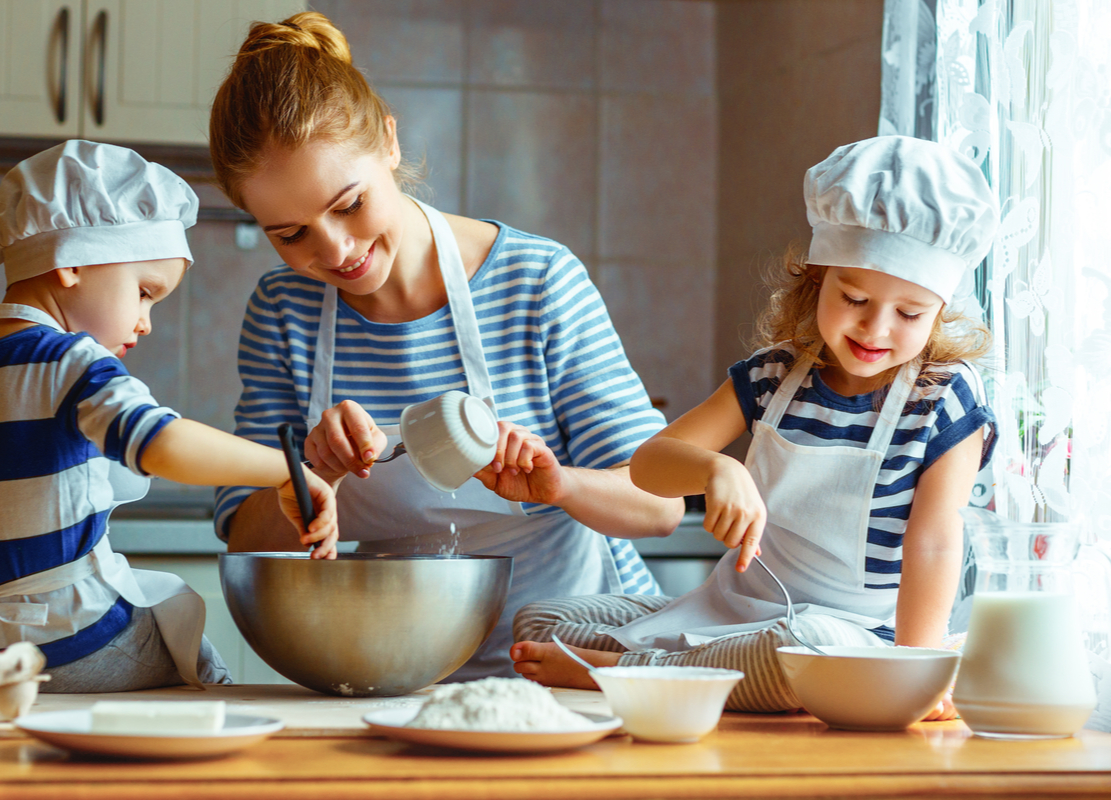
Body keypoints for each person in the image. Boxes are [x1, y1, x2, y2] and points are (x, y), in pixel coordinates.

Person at [206, 12, 686, 681]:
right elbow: (244, 536)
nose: (335, 251)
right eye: (291, 235)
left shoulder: (537, 282)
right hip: (390, 672)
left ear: (390, 144)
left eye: (348, 204)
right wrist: (312, 472)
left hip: (571, 664)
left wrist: (558, 485)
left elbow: (662, 505)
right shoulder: (282, 312)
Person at [510, 136, 999, 719]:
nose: (876, 328)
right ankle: (680, 669)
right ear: (817, 280)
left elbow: (936, 541)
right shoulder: (773, 375)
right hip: (738, 612)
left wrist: (918, 672)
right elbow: (648, 464)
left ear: (939, 311)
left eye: (910, 313)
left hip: (851, 636)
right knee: (544, 619)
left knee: (805, 656)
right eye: (854, 297)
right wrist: (715, 467)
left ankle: (620, 674)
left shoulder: (944, 398)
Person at [0, 140, 338, 693]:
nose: (146, 322)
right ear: (70, 263)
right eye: (144, 292)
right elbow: (160, 442)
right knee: (199, 669)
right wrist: (288, 469)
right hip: (78, 643)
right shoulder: (72, 362)